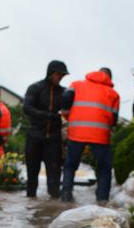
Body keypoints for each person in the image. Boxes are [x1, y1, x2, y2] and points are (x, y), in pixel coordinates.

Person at [61, 68, 120, 204]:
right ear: (109, 78)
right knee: (104, 168)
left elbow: (65, 100)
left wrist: (67, 115)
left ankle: (65, 198)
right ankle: (102, 201)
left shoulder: (76, 85)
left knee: (70, 166)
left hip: (77, 132)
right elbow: (114, 119)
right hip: (100, 135)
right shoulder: (113, 94)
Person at [23, 60, 68, 199]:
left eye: (63, 75)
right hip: (35, 136)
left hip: (53, 139)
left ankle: (53, 207)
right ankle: (31, 202)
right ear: (50, 73)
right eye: (58, 74)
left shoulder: (64, 92)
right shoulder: (35, 88)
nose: (60, 77)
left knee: (54, 174)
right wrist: (47, 115)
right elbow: (27, 108)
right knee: (32, 173)